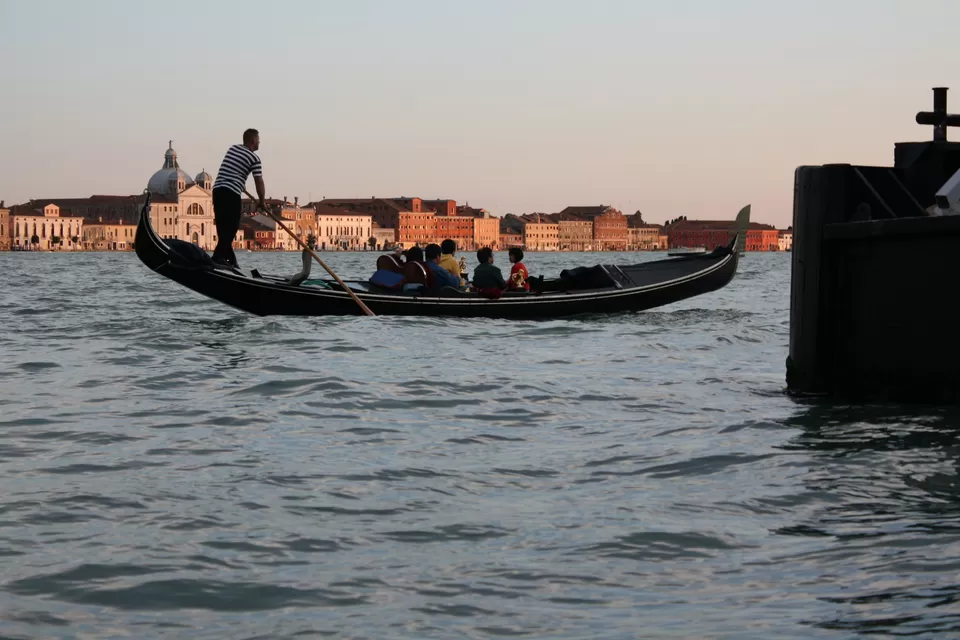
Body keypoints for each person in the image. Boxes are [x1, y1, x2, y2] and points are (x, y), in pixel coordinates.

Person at [211, 128, 265, 267]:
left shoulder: (233, 149)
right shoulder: (254, 159)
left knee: (223, 228)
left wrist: (241, 183)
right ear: (253, 140)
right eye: (258, 139)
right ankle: (217, 258)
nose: (259, 142)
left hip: (217, 190)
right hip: (231, 192)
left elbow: (232, 169)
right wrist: (262, 202)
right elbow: (259, 182)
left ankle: (231, 261)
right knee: (232, 227)